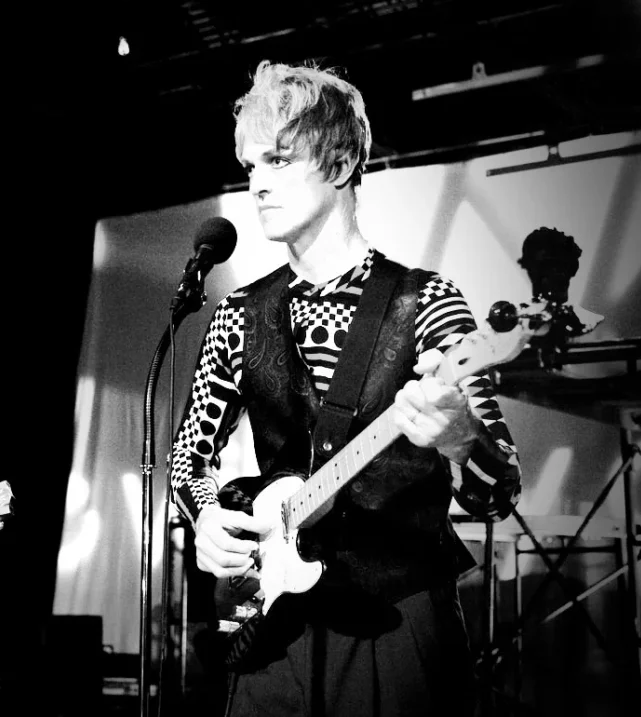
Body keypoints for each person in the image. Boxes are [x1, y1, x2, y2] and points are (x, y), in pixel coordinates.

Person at [170, 61, 522, 716]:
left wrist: (458, 437)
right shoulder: (237, 314)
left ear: (337, 166)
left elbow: (498, 487)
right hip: (273, 628)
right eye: (252, 166)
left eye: (280, 161)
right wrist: (211, 516)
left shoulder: (428, 305)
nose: (259, 186)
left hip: (397, 627)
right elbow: (188, 461)